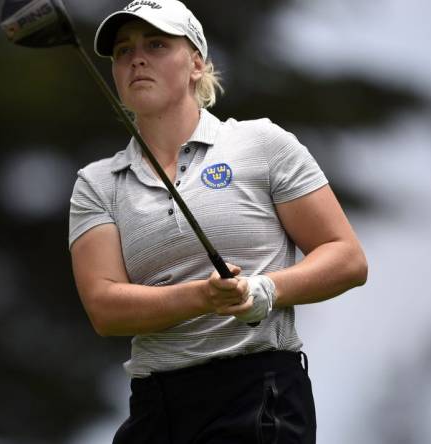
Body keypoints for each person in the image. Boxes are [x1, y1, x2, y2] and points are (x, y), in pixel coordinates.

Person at [67, 1, 368, 442]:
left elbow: (347, 257)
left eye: (155, 44)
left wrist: (265, 290)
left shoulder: (261, 143)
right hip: (156, 405)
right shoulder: (97, 183)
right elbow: (105, 307)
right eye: (123, 51)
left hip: (258, 394)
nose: (137, 58)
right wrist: (203, 296)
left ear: (196, 64)